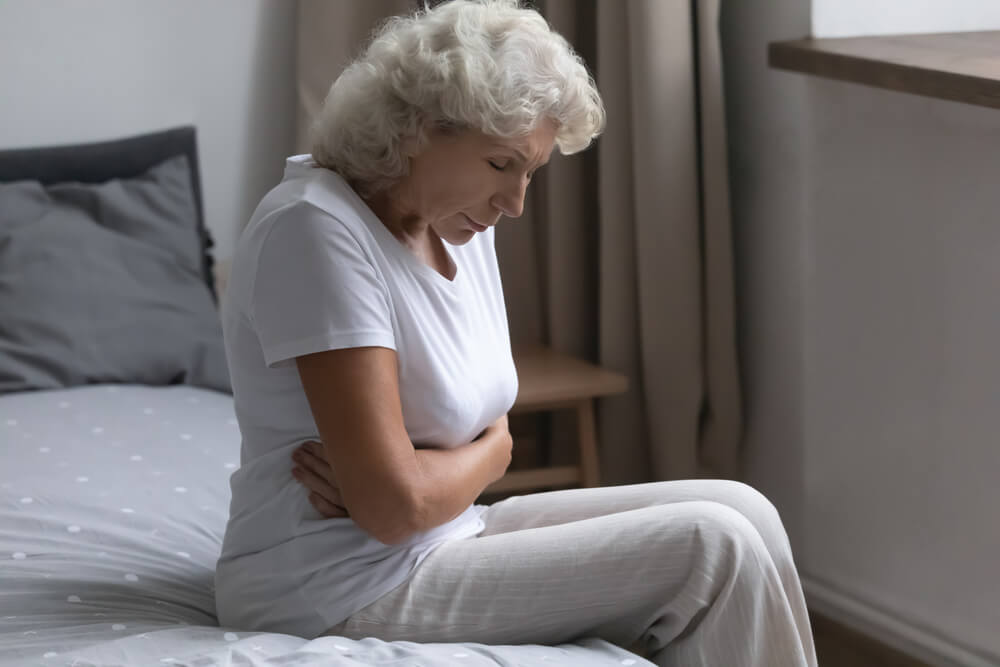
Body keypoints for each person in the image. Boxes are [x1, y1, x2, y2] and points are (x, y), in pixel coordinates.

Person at [215, 1, 818, 665]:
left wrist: (444, 471)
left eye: (530, 171)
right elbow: (394, 508)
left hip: (448, 531)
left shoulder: (457, 222)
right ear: (416, 128)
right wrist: (490, 455)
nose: (516, 201)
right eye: (501, 164)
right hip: (332, 584)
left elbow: (432, 477)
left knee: (743, 506)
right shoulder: (316, 230)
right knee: (715, 544)